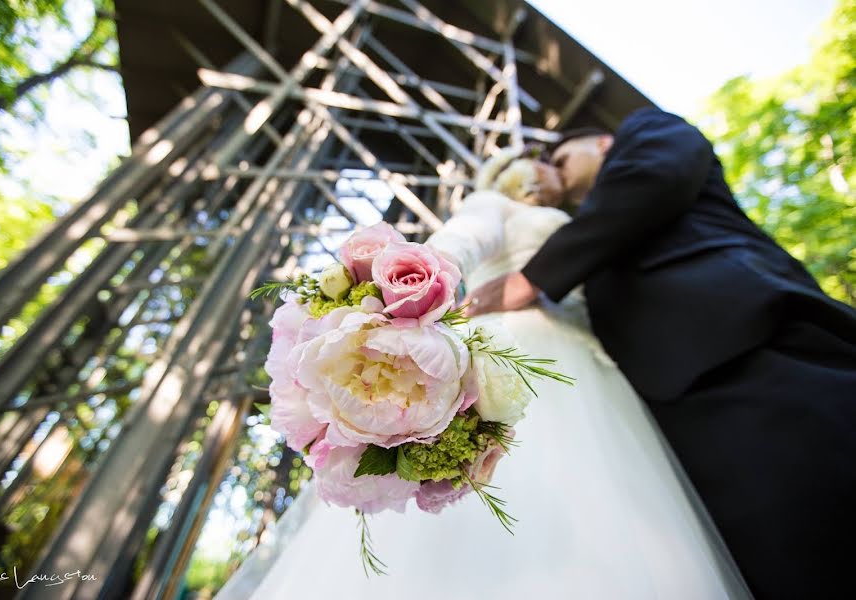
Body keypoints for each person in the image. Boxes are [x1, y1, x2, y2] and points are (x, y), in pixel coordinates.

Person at [214, 146, 750, 600]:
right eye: (544, 161)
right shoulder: (496, 203)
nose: (552, 170)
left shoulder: (594, 220)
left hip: (589, 358)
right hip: (519, 342)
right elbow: (465, 241)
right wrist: (403, 292)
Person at [466, 109, 856, 599]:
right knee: (781, 553)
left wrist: (532, 278)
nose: (554, 169)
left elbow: (657, 178)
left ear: (603, 144)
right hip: (669, 399)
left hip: (748, 338)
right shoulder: (575, 221)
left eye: (561, 157)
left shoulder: (645, 133)